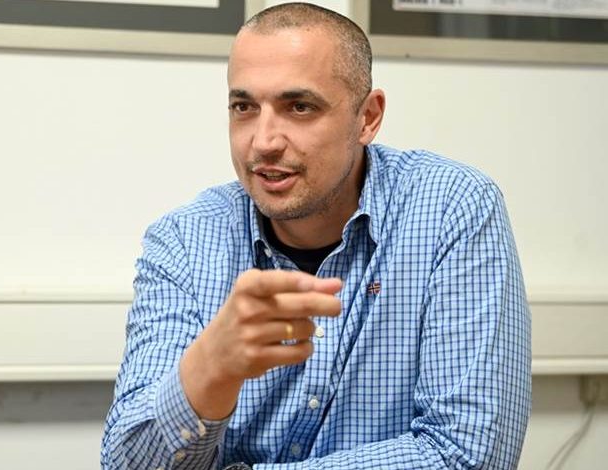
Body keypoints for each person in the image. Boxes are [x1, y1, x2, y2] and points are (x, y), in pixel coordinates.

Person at [101, 2, 531, 469]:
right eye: (244, 107)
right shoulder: (184, 241)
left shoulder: (452, 208)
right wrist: (209, 370)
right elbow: (127, 464)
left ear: (368, 117)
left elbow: (467, 455)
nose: (263, 141)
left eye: (299, 107)